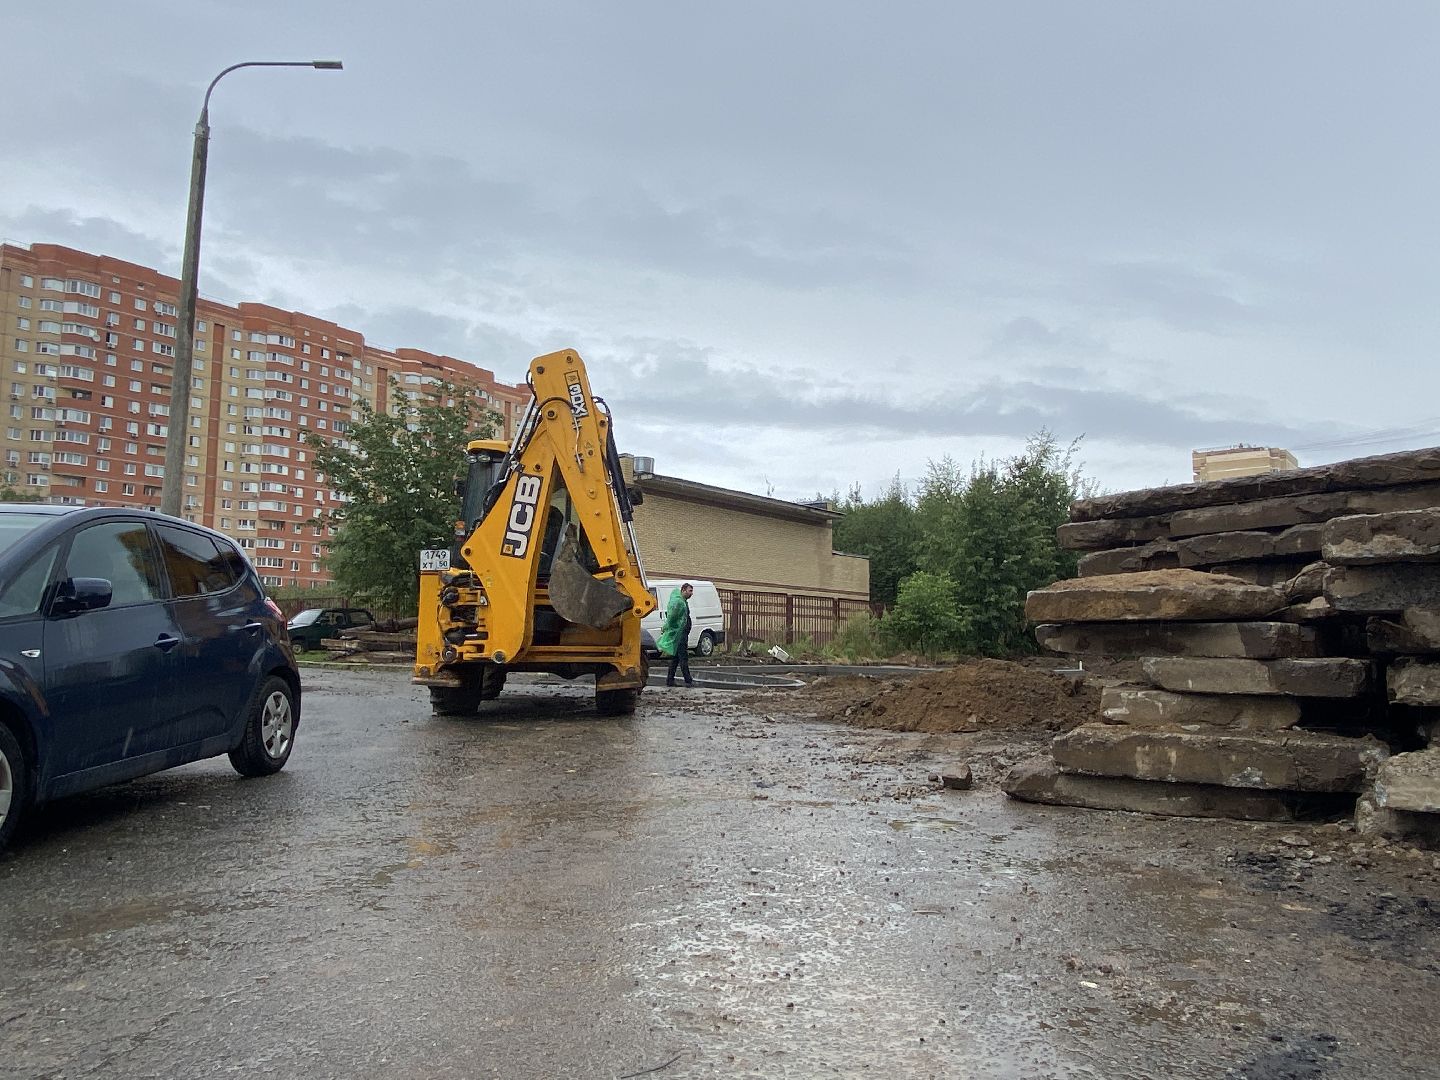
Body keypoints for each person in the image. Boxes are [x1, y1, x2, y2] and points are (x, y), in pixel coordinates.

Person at [657, 582, 695, 687]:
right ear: (683, 590)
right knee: (683, 657)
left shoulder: (682, 601)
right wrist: (667, 627)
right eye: (690, 591)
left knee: (676, 658)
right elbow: (672, 617)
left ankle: (670, 680)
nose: (691, 594)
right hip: (680, 634)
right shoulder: (679, 602)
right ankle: (688, 680)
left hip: (681, 633)